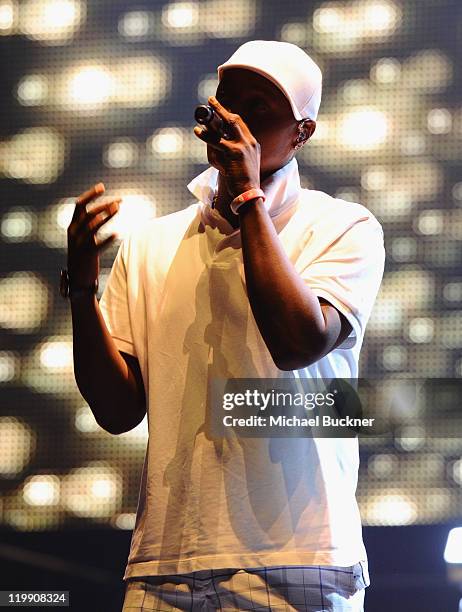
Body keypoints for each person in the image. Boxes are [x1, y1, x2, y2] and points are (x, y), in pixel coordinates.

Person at [64, 40, 385, 611]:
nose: (230, 119)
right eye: (224, 102)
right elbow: (116, 413)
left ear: (301, 133)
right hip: (165, 564)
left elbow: (296, 342)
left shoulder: (342, 226)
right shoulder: (151, 242)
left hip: (297, 559)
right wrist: (83, 291)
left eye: (257, 108)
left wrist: (249, 200)